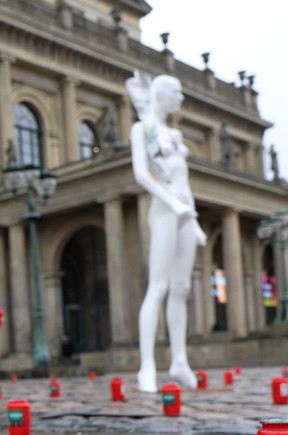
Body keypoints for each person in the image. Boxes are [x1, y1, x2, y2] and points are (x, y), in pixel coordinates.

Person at [126, 72, 207, 393]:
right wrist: (173, 204)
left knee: (181, 287)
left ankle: (179, 360)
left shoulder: (174, 134)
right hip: (163, 212)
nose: (181, 98)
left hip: (186, 214)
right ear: (160, 94)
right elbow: (142, 174)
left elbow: (185, 183)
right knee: (157, 287)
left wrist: (194, 221)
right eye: (176, 92)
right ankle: (147, 365)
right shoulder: (142, 130)